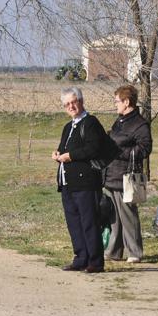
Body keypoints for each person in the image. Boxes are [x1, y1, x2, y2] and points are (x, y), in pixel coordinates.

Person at [52, 87, 106, 273]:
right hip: (67, 182)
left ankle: (95, 261)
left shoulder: (90, 123)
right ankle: (80, 257)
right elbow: (62, 148)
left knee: (89, 221)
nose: (71, 106)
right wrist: (57, 154)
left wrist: (71, 156)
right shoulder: (68, 127)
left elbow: (94, 149)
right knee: (74, 222)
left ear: (81, 101)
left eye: (73, 102)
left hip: (86, 182)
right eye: (67, 104)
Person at [103, 85, 152, 263]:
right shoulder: (120, 121)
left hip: (126, 177)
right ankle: (114, 251)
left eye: (117, 101)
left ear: (126, 102)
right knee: (114, 217)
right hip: (111, 174)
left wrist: (119, 153)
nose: (115, 104)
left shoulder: (140, 124)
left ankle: (135, 252)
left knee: (128, 216)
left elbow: (145, 148)